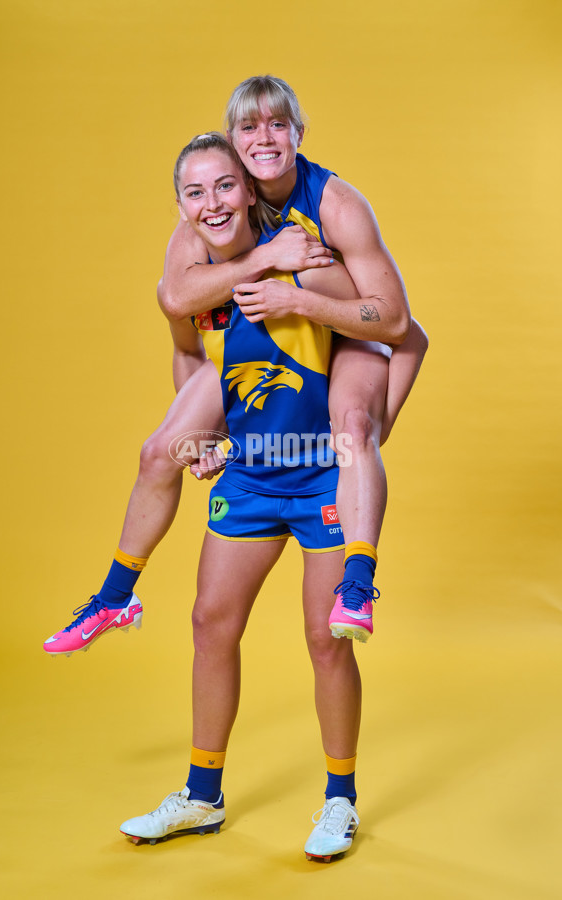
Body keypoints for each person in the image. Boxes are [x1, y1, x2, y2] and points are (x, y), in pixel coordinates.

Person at [43, 75, 427, 658]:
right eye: (249, 126)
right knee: (158, 452)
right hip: (265, 352)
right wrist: (205, 440)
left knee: (353, 431)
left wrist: (301, 304)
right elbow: (177, 305)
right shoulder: (211, 203)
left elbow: (401, 327)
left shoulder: (336, 206)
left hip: (340, 330)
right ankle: (116, 596)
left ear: (299, 132)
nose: (265, 138)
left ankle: (357, 582)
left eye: (279, 124)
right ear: (232, 140)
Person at [120, 132, 374, 860]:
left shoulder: (307, 246)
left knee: (327, 640)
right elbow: (187, 344)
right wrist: (200, 436)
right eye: (195, 195)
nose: (213, 203)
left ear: (250, 188)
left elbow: (393, 326)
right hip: (252, 474)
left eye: (224, 188)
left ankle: (340, 801)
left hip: (322, 470)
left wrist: (367, 434)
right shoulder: (197, 263)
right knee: (210, 624)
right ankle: (202, 797)